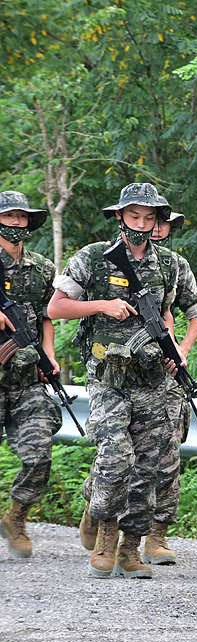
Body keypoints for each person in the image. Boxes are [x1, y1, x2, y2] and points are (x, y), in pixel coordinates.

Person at [50, 183, 183, 579]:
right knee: (115, 456)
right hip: (107, 378)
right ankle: (105, 528)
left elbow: (167, 314)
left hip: (153, 379)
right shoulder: (93, 257)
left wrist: (174, 351)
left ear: (159, 220)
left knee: (149, 467)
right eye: (134, 216)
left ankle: (130, 547)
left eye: (149, 217)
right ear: (120, 217)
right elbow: (57, 307)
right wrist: (102, 304)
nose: (142, 224)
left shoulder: (170, 264)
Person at [0, 191, 61, 559]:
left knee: (39, 454)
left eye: (22, 218)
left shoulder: (42, 267)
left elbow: (48, 316)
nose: (17, 224)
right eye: (10, 217)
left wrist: (48, 355)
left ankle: (16, 516)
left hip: (27, 379)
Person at [142, 208, 197, 565]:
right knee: (121, 457)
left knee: (168, 453)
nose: (158, 229)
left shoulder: (175, 266)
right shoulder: (109, 260)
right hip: (124, 374)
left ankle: (157, 533)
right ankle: (96, 505)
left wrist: (182, 350)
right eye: (153, 221)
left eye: (164, 223)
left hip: (166, 373)